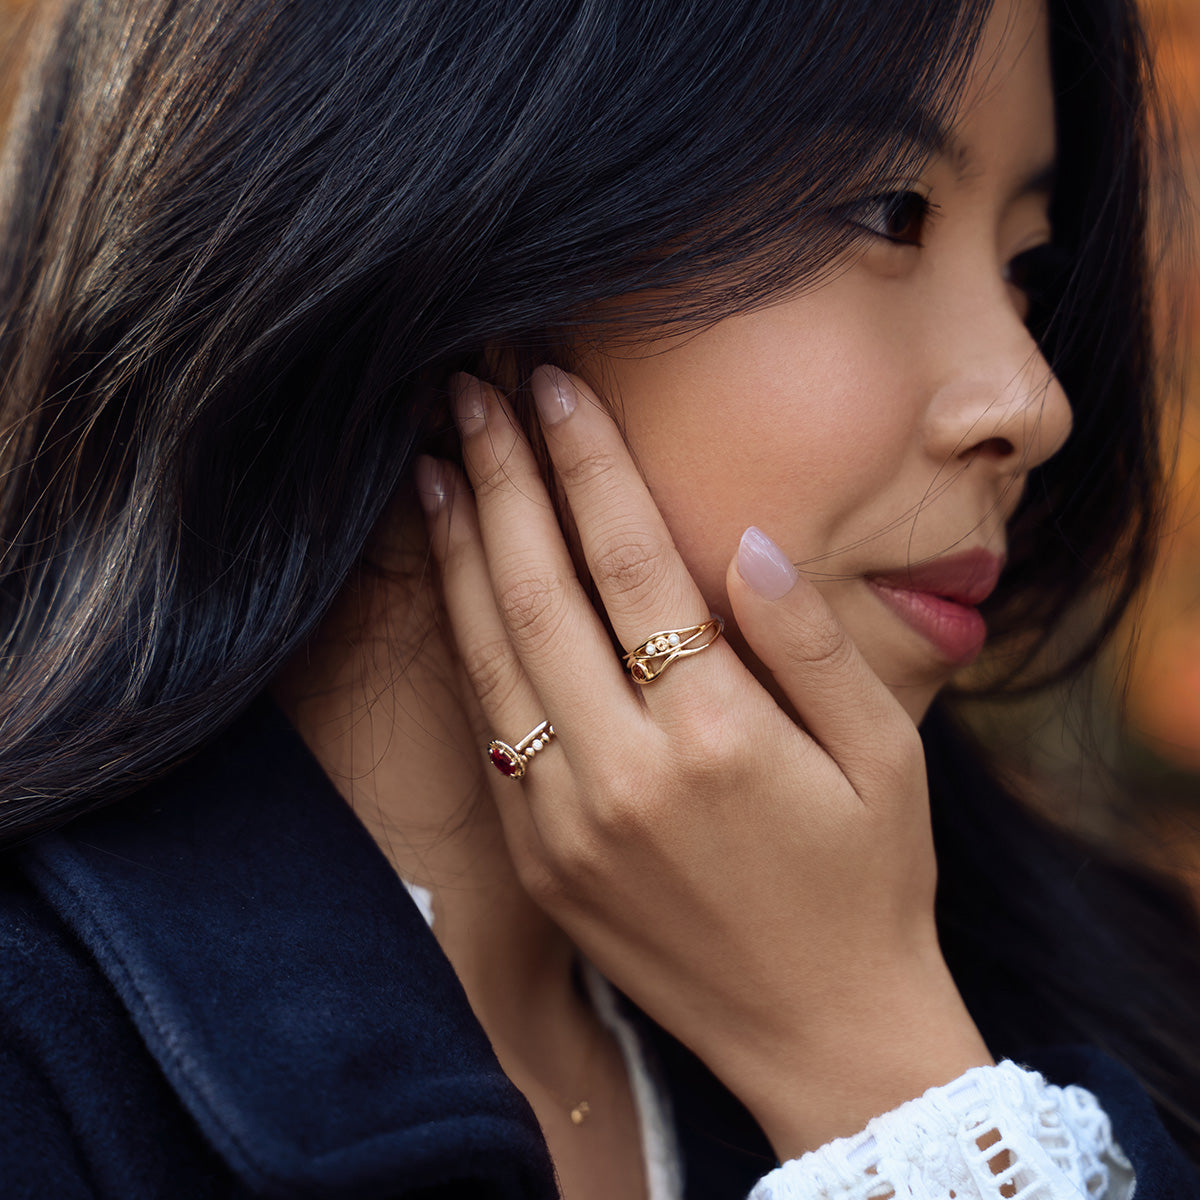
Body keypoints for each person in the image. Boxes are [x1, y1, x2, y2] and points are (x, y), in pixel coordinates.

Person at [0, 0, 1199, 1195]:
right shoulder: (46, 1066)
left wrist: (873, 1067)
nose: (1034, 403)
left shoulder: (1118, 1014)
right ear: (438, 230)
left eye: (1025, 264)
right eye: (890, 213)